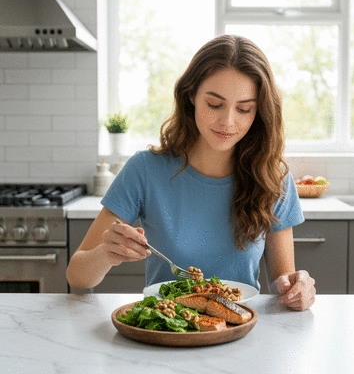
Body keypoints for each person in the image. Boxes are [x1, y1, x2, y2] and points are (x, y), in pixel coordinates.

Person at [67, 35, 316, 311]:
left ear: (258, 113)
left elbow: (282, 281)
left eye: (244, 109)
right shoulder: (145, 170)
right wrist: (107, 254)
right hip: (166, 332)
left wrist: (297, 288)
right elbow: (77, 276)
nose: (228, 121)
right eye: (214, 104)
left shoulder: (273, 178)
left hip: (240, 333)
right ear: (191, 96)